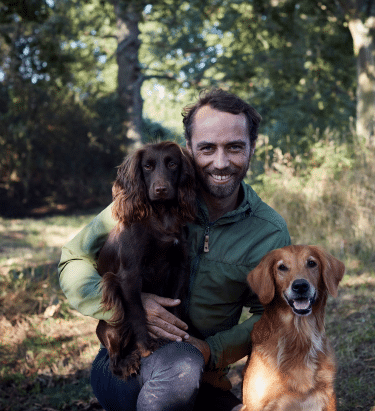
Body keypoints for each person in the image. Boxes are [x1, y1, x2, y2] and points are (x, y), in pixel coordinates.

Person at [58, 89, 291, 411]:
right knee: (178, 370)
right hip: (130, 358)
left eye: (235, 147)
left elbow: (276, 313)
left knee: (188, 370)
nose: (221, 162)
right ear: (189, 149)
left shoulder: (269, 231)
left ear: (252, 147)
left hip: (204, 371)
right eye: (207, 148)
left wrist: (212, 350)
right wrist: (128, 304)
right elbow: (73, 257)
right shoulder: (145, 201)